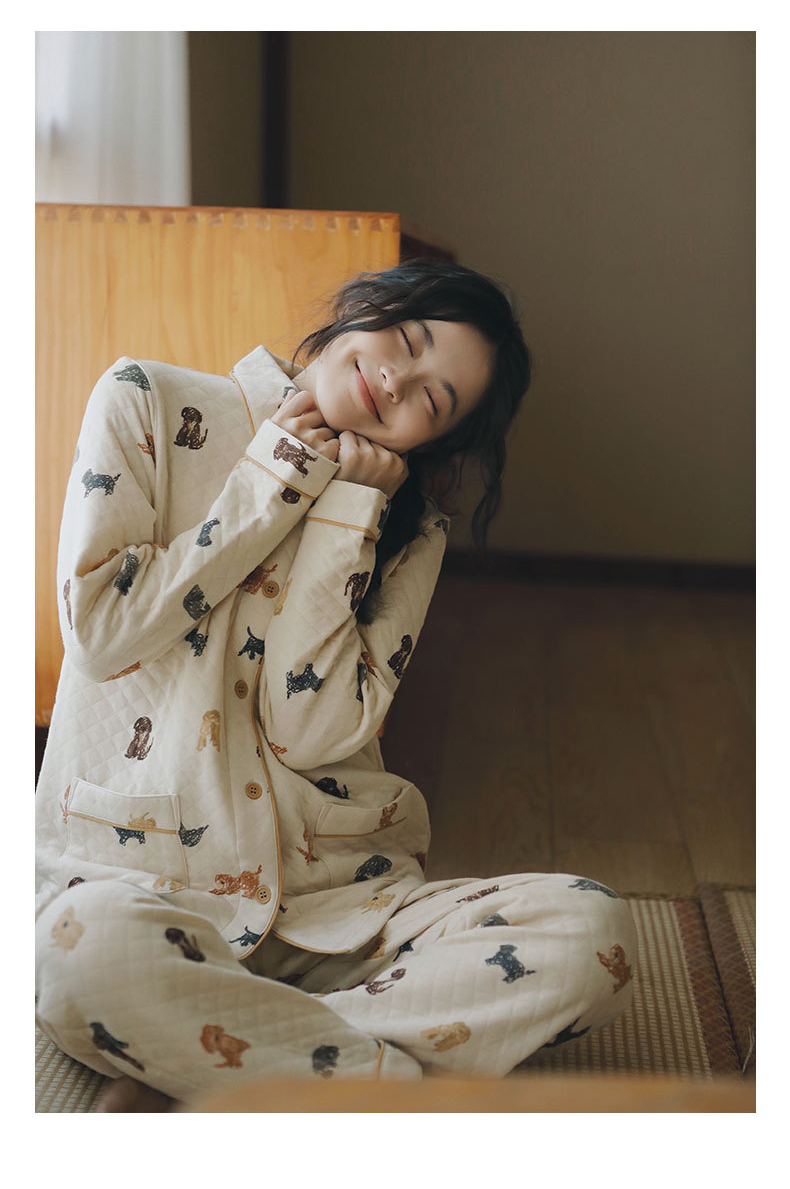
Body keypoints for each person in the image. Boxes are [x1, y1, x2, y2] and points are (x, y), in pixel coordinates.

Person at [35, 258, 637, 1110]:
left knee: (591, 930)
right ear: (363, 304)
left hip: (340, 911)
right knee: (78, 954)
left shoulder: (410, 531)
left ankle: (224, 1050)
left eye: (432, 401)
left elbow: (308, 732)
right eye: (409, 340)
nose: (397, 381)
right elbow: (102, 637)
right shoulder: (147, 400)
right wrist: (274, 478)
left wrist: (346, 514)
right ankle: (377, 1091)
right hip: (142, 893)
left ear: (432, 441)